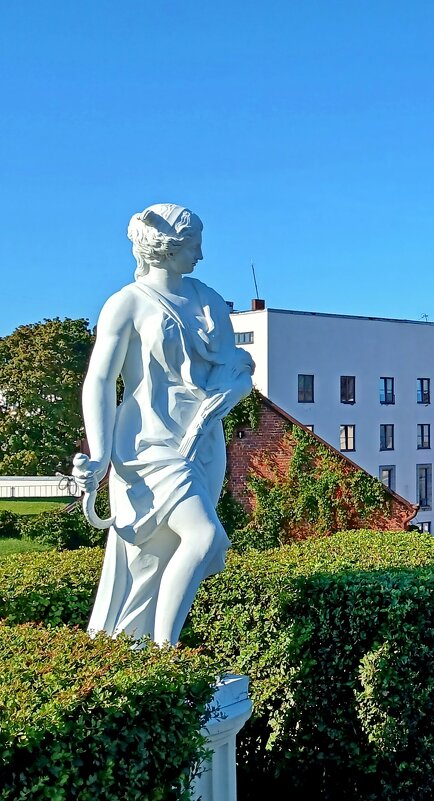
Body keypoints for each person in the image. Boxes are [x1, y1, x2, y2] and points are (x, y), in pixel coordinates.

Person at [72, 204, 253, 645]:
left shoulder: (208, 299)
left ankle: (134, 644)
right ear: (167, 249)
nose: (201, 255)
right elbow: (99, 379)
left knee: (161, 555)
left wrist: (235, 388)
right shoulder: (126, 304)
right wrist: (98, 454)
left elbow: (233, 370)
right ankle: (164, 653)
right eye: (194, 246)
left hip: (202, 442)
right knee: (205, 537)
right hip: (147, 443)